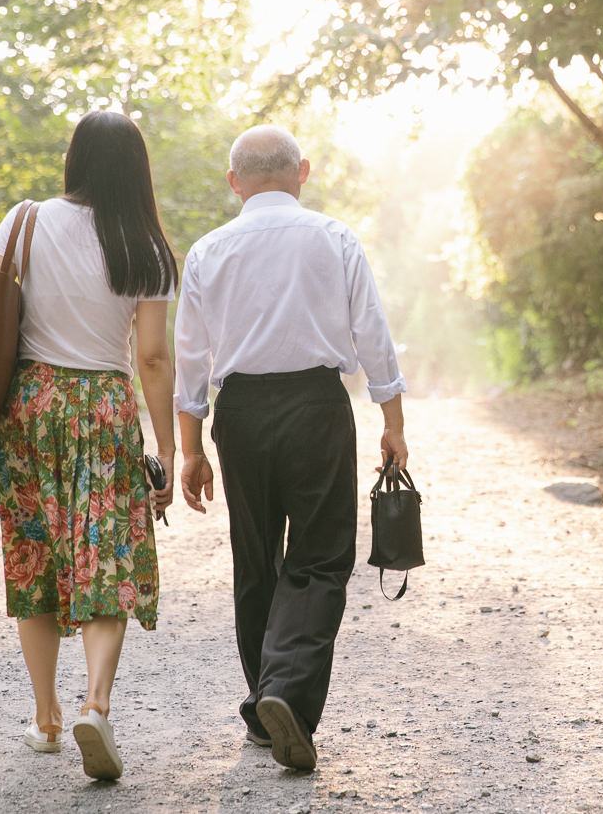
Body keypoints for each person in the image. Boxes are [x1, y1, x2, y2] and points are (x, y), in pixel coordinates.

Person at [173, 124, 408, 771]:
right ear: (301, 171)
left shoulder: (207, 251)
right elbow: (373, 334)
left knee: (256, 561)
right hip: (316, 407)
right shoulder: (334, 238)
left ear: (234, 182)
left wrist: (191, 447)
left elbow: (191, 359)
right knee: (321, 557)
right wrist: (393, 421)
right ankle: (284, 696)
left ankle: (262, 706)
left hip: (241, 413)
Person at [0, 110, 178, 781]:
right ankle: (95, 703)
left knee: (35, 551)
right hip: (104, 407)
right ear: (137, 169)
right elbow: (152, 358)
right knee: (107, 553)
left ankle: (45, 717)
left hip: (31, 404)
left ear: (74, 159)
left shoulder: (23, 221)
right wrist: (169, 447)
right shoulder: (148, 246)